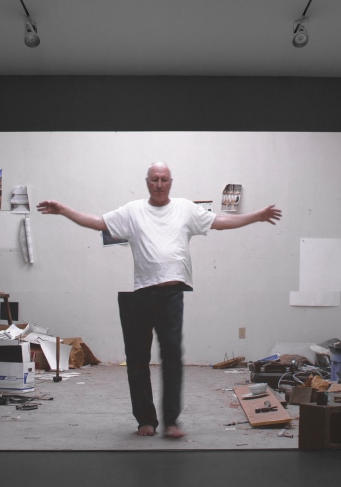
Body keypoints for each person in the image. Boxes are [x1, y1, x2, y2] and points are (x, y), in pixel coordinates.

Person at [38, 162, 281, 439]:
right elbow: (98, 222)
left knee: (172, 357)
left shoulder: (185, 208)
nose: (159, 184)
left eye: (164, 179)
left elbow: (220, 223)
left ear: (171, 182)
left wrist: (257, 216)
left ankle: (171, 421)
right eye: (154, 179)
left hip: (173, 293)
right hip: (141, 294)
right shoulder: (133, 211)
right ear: (147, 182)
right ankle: (146, 420)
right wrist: (63, 211)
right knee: (138, 359)